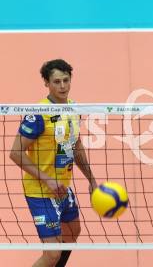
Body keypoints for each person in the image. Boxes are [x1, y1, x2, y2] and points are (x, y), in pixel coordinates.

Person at [9, 59, 97, 267]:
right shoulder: (38, 114)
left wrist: (92, 180)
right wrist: (47, 179)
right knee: (52, 255)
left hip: (62, 188)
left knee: (73, 232)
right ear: (46, 83)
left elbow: (76, 146)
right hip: (41, 190)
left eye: (66, 80)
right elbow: (15, 153)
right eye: (57, 82)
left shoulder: (74, 108)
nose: (62, 86)